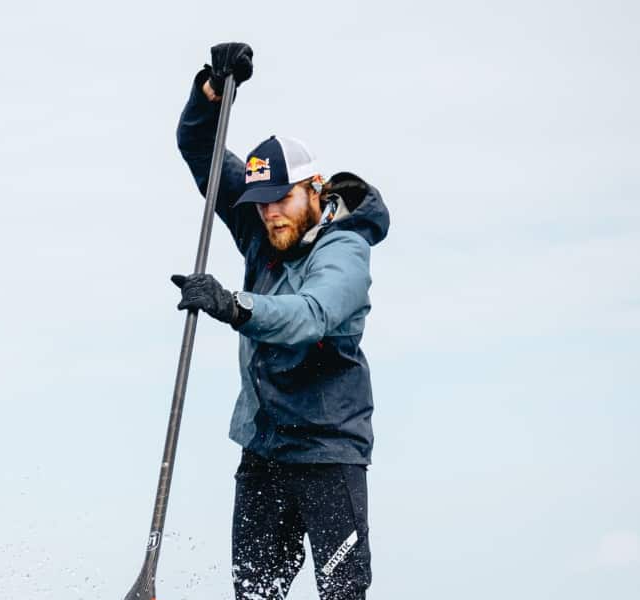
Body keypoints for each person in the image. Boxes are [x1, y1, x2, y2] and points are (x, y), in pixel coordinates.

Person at [171, 42, 391, 600]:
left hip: (328, 456)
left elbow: (311, 316)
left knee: (343, 594)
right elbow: (201, 146)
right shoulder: (261, 223)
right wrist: (211, 93)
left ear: (314, 191)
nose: (270, 212)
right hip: (263, 453)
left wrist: (231, 305)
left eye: (282, 200)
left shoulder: (345, 250)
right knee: (254, 595)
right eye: (262, 200)